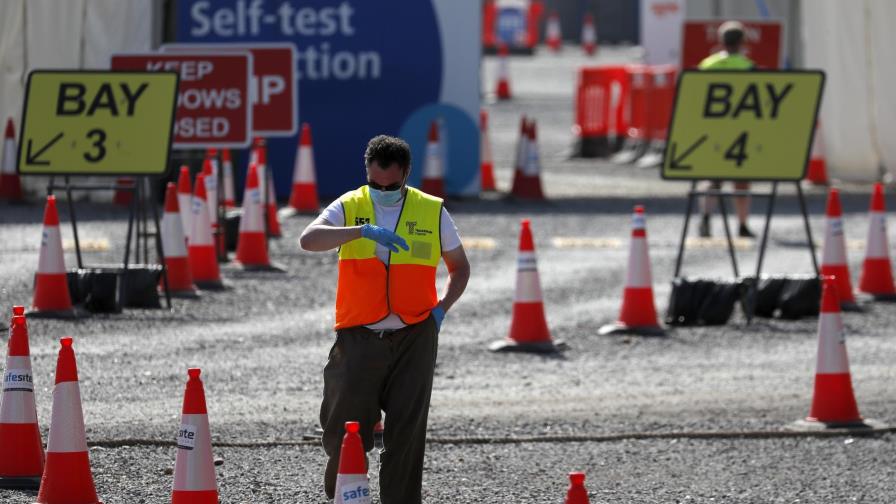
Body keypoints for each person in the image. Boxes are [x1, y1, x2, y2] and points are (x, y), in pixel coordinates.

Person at [299, 134, 470, 503]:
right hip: (359, 335)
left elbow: (459, 268)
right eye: (376, 182)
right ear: (367, 171)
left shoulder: (432, 209)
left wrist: (441, 309)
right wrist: (360, 231)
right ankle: (347, 497)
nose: (383, 189)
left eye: (391, 184)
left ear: (406, 173)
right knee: (345, 430)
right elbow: (308, 240)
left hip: (415, 336)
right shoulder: (351, 204)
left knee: (407, 435)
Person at [697, 20, 756, 239]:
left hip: (713, 128)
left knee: (713, 178)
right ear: (742, 42)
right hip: (739, 129)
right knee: (741, 179)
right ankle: (742, 224)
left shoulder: (707, 65)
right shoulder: (747, 66)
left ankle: (705, 217)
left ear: (721, 41)